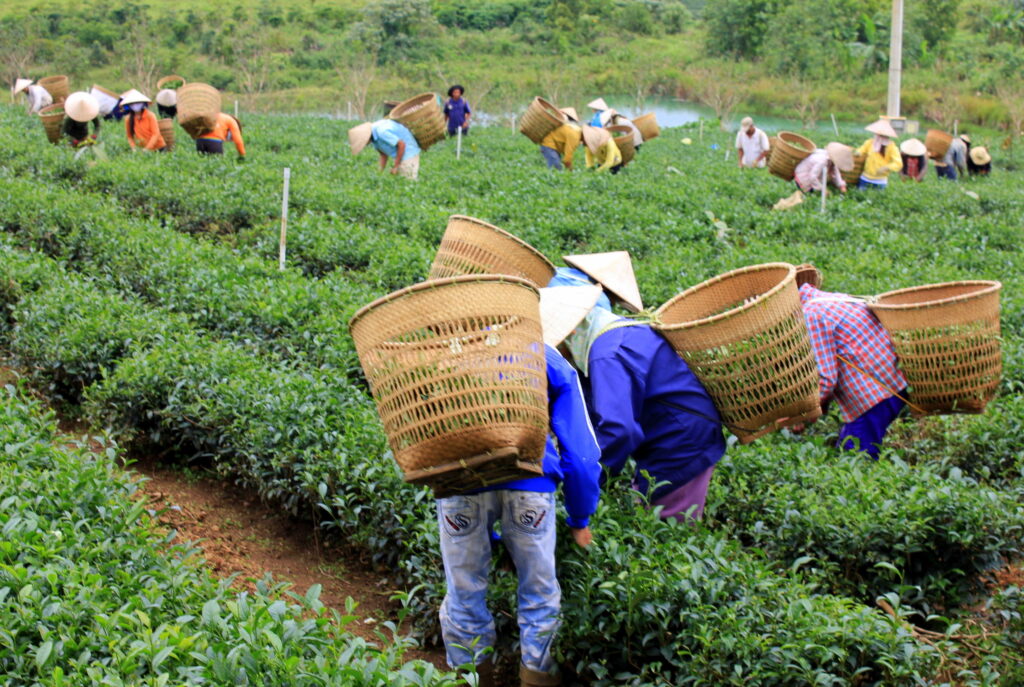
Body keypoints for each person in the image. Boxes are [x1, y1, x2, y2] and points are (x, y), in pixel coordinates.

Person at [436, 312, 601, 687]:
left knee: (464, 589)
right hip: (531, 485)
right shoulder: (543, 356)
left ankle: (470, 678)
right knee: (540, 592)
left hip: (461, 485)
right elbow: (584, 455)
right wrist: (580, 516)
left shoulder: (448, 356)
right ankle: (536, 679)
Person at [550, 255, 727, 521]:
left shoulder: (606, 352)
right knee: (646, 508)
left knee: (665, 528)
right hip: (674, 436)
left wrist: (586, 482)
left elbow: (619, 429)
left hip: (681, 443)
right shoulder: (616, 334)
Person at [797, 272, 908, 459]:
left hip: (873, 396)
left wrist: (801, 414)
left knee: (856, 458)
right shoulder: (832, 299)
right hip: (895, 383)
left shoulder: (811, 314)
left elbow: (825, 378)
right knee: (848, 447)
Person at [348, 119, 421, 180]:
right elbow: (383, 155)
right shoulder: (374, 139)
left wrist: (396, 166)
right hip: (400, 153)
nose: (365, 145)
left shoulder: (382, 132)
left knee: (408, 180)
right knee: (399, 181)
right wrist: (379, 173)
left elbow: (402, 145)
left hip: (409, 152)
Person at [855, 119, 902, 190]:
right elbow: (862, 149)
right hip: (865, 178)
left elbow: (898, 163)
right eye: (878, 134)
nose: (879, 137)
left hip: (880, 181)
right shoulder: (870, 142)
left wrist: (886, 167)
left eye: (882, 135)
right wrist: (858, 152)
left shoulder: (892, 147)